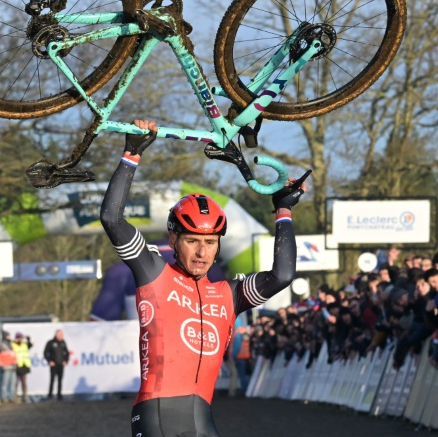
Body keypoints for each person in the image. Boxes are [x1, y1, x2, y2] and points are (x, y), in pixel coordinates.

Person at [100, 120, 305, 436]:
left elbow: (282, 275)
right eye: (192, 240)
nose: (201, 252)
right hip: (157, 414)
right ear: (172, 240)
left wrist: (283, 211)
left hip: (202, 418)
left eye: (210, 242)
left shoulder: (228, 294)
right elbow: (112, 219)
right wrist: (131, 154)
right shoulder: (154, 273)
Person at [43, 329, 69, 401]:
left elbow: (67, 353)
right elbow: (45, 353)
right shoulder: (51, 342)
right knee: (52, 380)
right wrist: (49, 361)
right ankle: (50, 394)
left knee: (60, 380)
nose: (61, 336)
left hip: (61, 364)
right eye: (60, 335)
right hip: (54, 365)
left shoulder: (63, 342)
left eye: (62, 335)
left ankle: (59, 394)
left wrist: (66, 360)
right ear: (56, 335)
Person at [12, 332, 32, 403]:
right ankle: (15, 397)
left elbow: (31, 343)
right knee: (15, 382)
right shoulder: (13, 344)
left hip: (24, 365)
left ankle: (25, 397)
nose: (20, 339)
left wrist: (27, 337)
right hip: (16, 365)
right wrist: (15, 341)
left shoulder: (24, 344)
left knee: (24, 382)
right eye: (19, 338)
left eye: (21, 338)